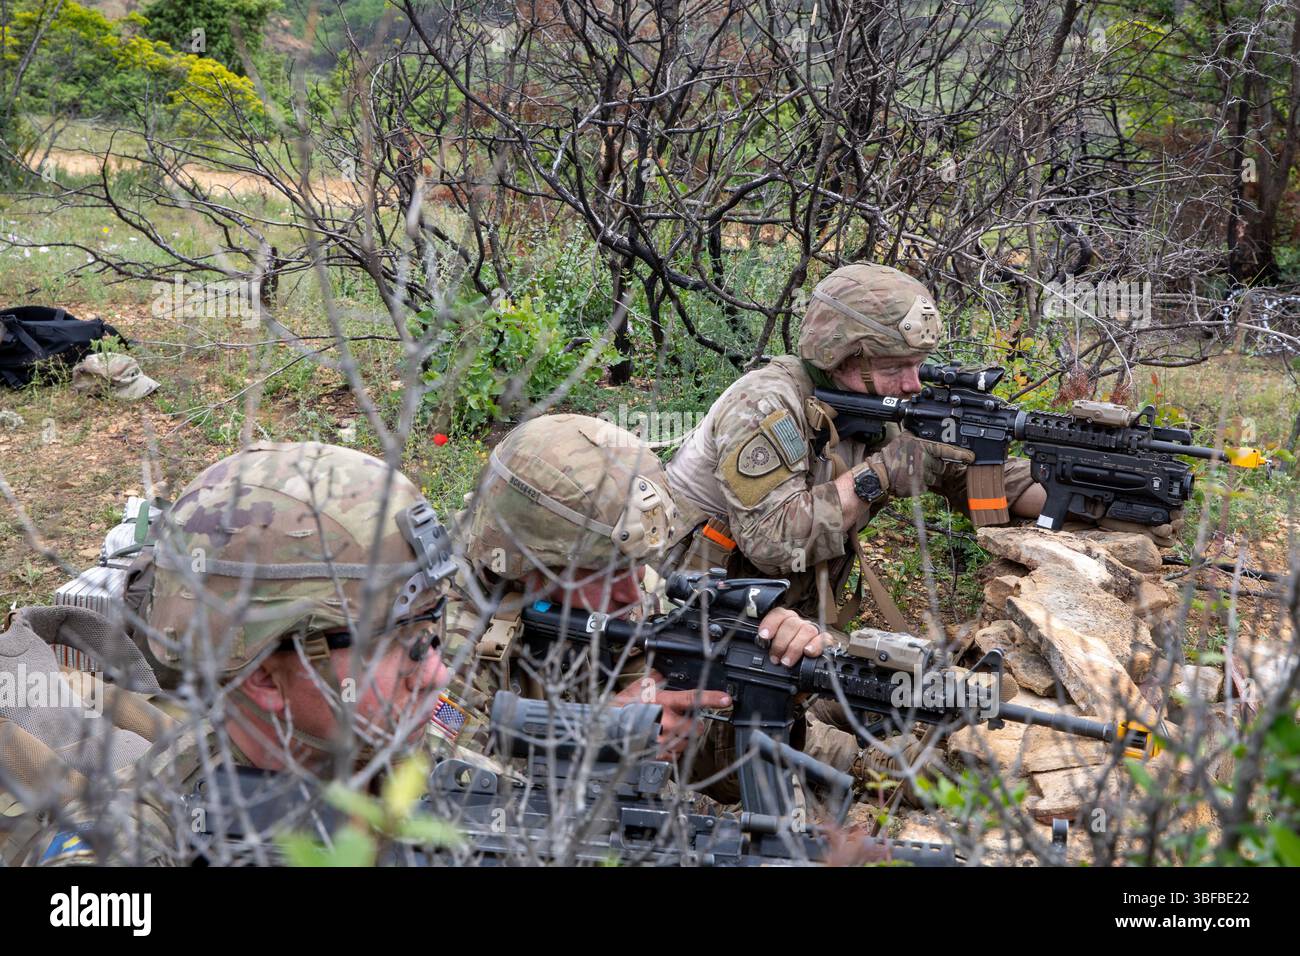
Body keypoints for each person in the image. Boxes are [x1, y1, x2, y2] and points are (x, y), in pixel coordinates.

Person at [0, 441, 452, 864]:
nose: (437, 673)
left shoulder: (411, 757)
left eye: (434, 633)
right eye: (403, 645)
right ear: (264, 676)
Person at [665, 262, 1181, 629]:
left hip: (775, 617)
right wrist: (879, 475)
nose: (914, 384)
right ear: (844, 358)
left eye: (918, 367)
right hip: (690, 611)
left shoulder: (873, 406)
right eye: (895, 369)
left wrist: (1100, 492)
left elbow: (977, 477)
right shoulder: (766, 406)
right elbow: (775, 543)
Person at [429, 412, 831, 789]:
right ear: (528, 559)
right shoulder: (433, 624)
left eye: (636, 564)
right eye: (602, 573)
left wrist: (770, 688)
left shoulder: (628, 589)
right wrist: (599, 737)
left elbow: (711, 771)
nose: (630, 590)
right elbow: (446, 780)